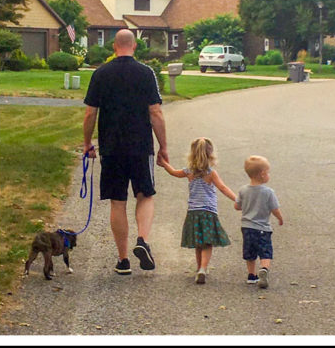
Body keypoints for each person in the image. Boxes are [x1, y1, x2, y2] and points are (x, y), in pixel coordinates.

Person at [82, 29, 168, 275]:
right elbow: (156, 112)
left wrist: (88, 143)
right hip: (140, 146)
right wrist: (164, 146)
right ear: (135, 47)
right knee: (145, 195)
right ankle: (142, 240)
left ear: (113, 47)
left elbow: (90, 113)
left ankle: (122, 260)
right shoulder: (146, 73)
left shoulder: (100, 73)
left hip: (111, 148)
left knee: (117, 201)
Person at [157, 138, 237, 284]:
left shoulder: (189, 172)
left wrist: (164, 163)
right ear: (211, 154)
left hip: (193, 212)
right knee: (207, 242)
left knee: (198, 241)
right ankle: (203, 268)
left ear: (192, 155)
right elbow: (223, 188)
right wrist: (237, 199)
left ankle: (199, 267)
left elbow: (174, 172)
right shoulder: (211, 173)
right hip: (208, 212)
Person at [234, 155, 285, 289]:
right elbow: (275, 209)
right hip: (263, 228)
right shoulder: (268, 192)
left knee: (250, 253)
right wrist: (280, 218)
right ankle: (264, 269)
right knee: (265, 251)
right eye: (268, 172)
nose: (268, 175)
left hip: (246, 227)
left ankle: (252, 275)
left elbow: (237, 206)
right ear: (262, 174)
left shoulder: (243, 190)